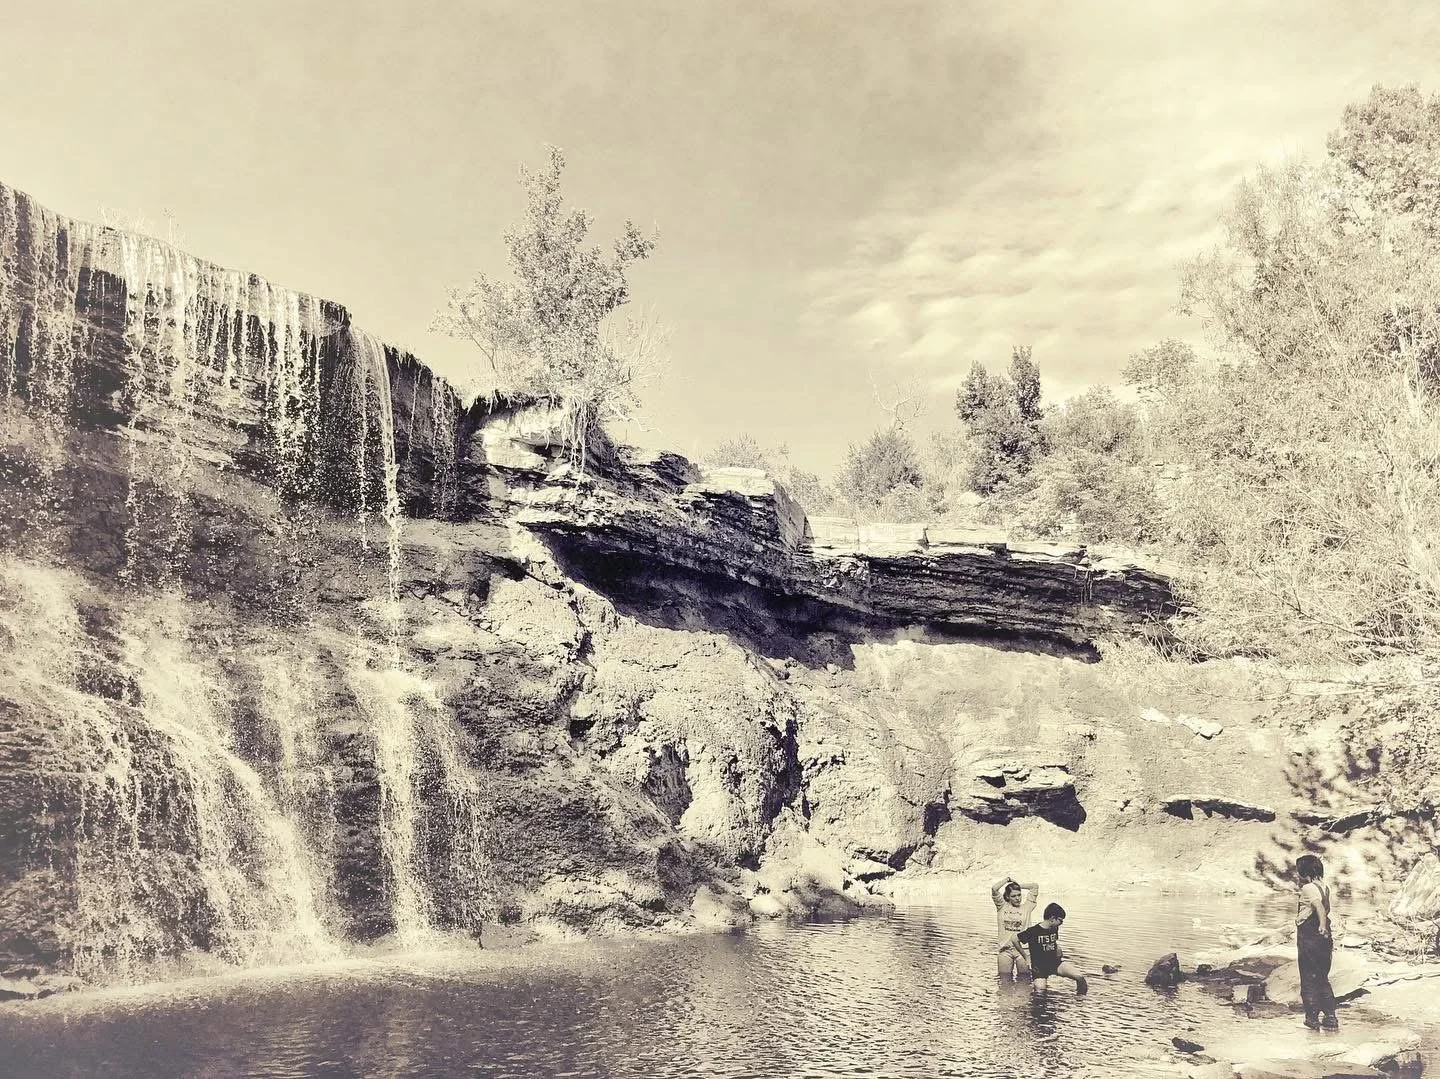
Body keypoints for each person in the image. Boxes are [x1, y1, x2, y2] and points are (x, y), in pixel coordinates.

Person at [1295, 854, 1339, 1030]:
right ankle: (1330, 1016)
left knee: (1308, 977)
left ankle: (1312, 1018)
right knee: (1322, 977)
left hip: (1310, 935)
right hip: (1323, 940)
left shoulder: (1308, 888)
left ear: (1303, 871)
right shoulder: (1325, 887)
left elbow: (1319, 907)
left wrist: (1321, 925)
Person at [1013, 902, 1088, 995]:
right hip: (1039, 967)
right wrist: (1026, 957)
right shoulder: (1033, 931)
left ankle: (1079, 1002)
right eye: (1060, 920)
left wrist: (1058, 947)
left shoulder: (1054, 928)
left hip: (1055, 963)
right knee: (1040, 993)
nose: (1062, 923)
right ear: (1052, 918)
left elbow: (1052, 941)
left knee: (1080, 978)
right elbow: (1015, 939)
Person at [991, 876, 1039, 977]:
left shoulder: (1027, 907)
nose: (1017, 898)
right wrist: (1007, 880)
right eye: (1013, 896)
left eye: (1019, 895)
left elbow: (1035, 886)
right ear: (1008, 897)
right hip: (1005, 950)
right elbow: (994, 889)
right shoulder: (1001, 906)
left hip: (1023, 950)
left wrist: (1017, 886)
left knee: (1025, 981)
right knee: (1004, 981)